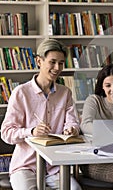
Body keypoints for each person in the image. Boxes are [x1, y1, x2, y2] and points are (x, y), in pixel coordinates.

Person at [1, 39, 82, 190]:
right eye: (52, 62)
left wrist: (72, 129)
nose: (57, 68)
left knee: (75, 189)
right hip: (25, 166)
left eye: (61, 63)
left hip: (56, 166)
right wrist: (31, 132)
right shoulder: (21, 93)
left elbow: (73, 122)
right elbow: (6, 133)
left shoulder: (65, 93)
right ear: (39, 61)